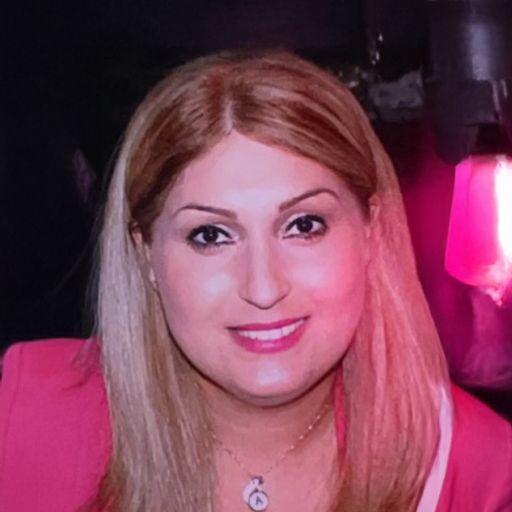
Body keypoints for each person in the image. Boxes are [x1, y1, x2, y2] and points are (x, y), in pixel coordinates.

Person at [0, 50, 511, 512]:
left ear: (371, 234)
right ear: (146, 253)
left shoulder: (480, 470)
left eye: (304, 226)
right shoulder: (23, 417)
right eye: (210, 235)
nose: (263, 289)